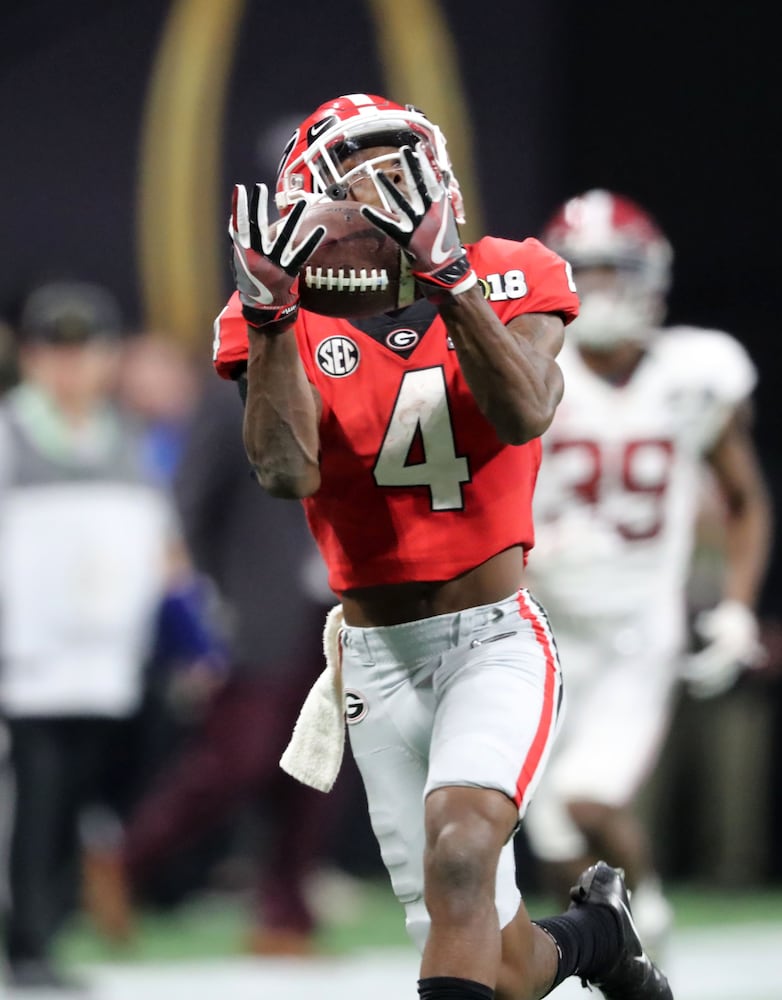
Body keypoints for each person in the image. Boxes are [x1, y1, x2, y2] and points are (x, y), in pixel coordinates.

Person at [213, 93, 673, 1000]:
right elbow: (285, 471)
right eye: (359, 179)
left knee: (462, 853)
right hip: (376, 660)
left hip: (493, 639)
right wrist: (269, 316)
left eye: (400, 168)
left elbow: (525, 410)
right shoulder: (275, 313)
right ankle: (597, 936)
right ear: (310, 206)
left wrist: (451, 281)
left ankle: (596, 934)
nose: (387, 192)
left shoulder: (510, 270)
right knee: (501, 963)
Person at [521, 189, 772, 956]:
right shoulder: (531, 371)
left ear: (650, 275)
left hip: (636, 629)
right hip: (544, 626)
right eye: (584, 270)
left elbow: (743, 499)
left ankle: (648, 918)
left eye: (613, 269)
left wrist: (737, 605)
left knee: (588, 800)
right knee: (552, 832)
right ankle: (616, 946)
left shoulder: (695, 371)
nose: (599, 288)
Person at [84, 372, 345, 956]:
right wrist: (207, 603)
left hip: (337, 602)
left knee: (318, 765)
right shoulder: (238, 390)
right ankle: (126, 860)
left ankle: (285, 913)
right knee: (239, 756)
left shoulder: (355, 372)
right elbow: (189, 503)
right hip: (256, 606)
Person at [0, 280, 203, 991]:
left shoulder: (130, 440)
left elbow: (161, 547)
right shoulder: (10, 433)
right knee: (32, 800)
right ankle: (25, 942)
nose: (71, 366)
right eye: (54, 351)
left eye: (85, 350)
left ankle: (48, 931)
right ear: (29, 357)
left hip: (108, 663)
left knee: (80, 801)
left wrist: (191, 636)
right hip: (26, 663)